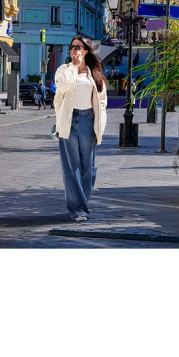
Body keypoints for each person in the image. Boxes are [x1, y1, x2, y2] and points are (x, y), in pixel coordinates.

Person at [53, 35, 108, 222]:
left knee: (88, 168)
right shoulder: (64, 70)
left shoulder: (95, 73)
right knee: (72, 168)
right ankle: (78, 209)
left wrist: (100, 121)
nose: (73, 50)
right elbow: (62, 86)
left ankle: (81, 204)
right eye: (72, 47)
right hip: (69, 120)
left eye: (77, 47)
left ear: (85, 50)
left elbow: (102, 100)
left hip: (88, 120)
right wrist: (74, 67)